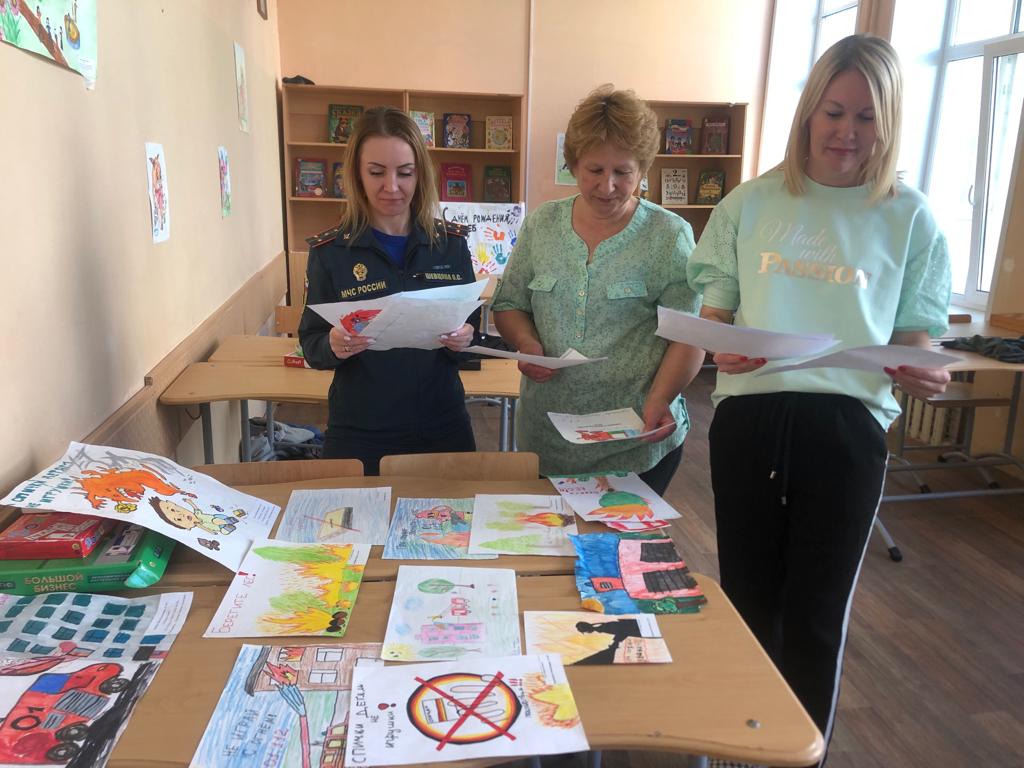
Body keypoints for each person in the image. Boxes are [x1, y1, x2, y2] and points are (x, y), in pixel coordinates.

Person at [686, 35, 952, 764]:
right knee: (746, 603)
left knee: (816, 615)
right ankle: (739, 748)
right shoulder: (750, 202)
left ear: (889, 124)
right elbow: (717, 311)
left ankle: (800, 756)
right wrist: (721, 344)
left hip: (848, 427)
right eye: (834, 112)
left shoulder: (911, 217)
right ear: (808, 112)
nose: (847, 133)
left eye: (867, 118)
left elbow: (917, 332)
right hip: (751, 417)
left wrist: (923, 368)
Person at [492, 85, 705, 495]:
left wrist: (661, 398)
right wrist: (526, 343)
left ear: (643, 169)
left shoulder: (669, 235)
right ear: (573, 165)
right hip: (547, 437)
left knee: (614, 537)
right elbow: (510, 303)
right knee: (553, 536)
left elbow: (689, 335)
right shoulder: (542, 225)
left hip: (637, 438)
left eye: (623, 173)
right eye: (594, 170)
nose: (607, 187)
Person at [298, 106, 478, 474]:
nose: (392, 187)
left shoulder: (451, 245)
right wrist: (332, 344)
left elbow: (473, 336)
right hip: (360, 431)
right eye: (377, 172)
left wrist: (465, 338)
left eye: (405, 173)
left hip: (442, 424)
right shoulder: (331, 252)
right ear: (357, 174)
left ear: (420, 174)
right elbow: (311, 344)